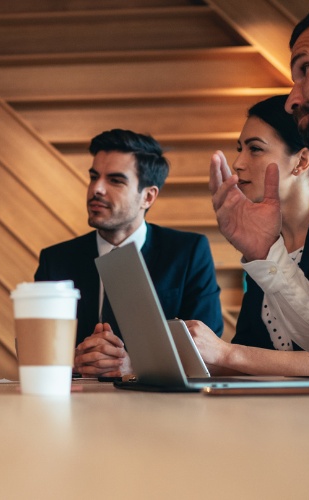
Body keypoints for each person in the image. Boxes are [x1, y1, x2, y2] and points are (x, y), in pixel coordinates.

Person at [209, 0, 309, 381]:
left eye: (305, 67)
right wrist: (265, 255)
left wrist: (228, 355)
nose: (293, 98)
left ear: (303, 160)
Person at [34, 129, 223, 377]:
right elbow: (36, 348)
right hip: (77, 405)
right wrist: (74, 361)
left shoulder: (188, 252)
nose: (96, 189)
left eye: (115, 180)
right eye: (94, 176)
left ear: (148, 196)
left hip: (163, 408)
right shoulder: (55, 260)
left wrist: (135, 366)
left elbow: (208, 352)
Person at [188, 95, 309, 377]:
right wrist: (145, 364)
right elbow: (251, 349)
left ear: (302, 161)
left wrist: (227, 353)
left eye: (255, 149)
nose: (237, 163)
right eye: (240, 148)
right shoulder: (265, 240)